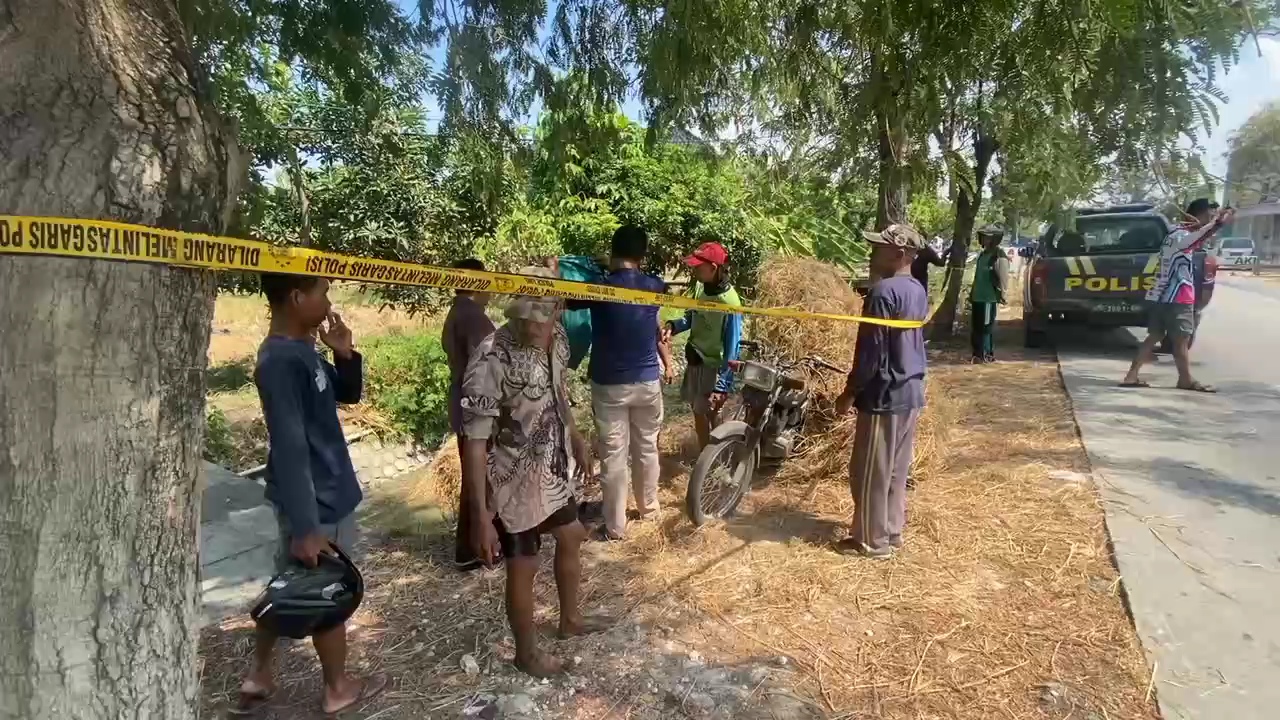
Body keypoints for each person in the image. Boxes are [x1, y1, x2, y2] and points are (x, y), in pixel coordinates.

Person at [233, 274, 387, 716]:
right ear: (298, 297)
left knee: (289, 584)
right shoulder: (279, 361)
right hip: (316, 499)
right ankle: (337, 687)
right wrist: (306, 525)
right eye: (322, 291)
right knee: (326, 590)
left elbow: (347, 395)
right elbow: (289, 444)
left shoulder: (304, 351)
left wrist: (344, 354)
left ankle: (259, 675)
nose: (329, 300)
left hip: (325, 489)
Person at [459, 269, 602, 677]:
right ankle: (525, 652)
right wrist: (481, 516)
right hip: (509, 478)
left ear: (557, 310)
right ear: (516, 314)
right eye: (531, 318)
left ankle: (569, 620)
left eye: (548, 314)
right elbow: (473, 442)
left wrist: (574, 433)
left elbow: (558, 393)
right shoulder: (490, 356)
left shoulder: (557, 340)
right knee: (523, 564)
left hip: (551, 467)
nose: (540, 325)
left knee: (573, 535)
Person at [569, 225, 677, 540]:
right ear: (642, 255)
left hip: (609, 384)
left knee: (614, 455)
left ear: (612, 251)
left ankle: (615, 526)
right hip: (647, 381)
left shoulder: (599, 287)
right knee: (646, 448)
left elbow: (567, 299)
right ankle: (650, 510)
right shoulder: (655, 285)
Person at [833, 225, 929, 559]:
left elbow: (870, 354)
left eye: (878, 247)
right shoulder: (917, 289)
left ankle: (872, 543)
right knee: (894, 471)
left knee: (869, 472)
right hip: (911, 392)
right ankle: (890, 532)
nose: (872, 252)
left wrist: (848, 393)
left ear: (899, 253)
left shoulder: (882, 293)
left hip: (885, 395)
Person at [1121, 199, 1232, 392]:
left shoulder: (1173, 234)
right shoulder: (1182, 236)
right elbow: (1200, 235)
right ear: (1201, 215)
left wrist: (1215, 224)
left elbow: (1200, 237)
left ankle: (1132, 376)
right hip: (1177, 297)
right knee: (1181, 340)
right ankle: (1185, 380)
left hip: (1161, 296)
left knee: (1153, 336)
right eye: (1210, 215)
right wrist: (1218, 222)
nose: (1211, 219)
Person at [662, 241, 744, 449]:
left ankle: (718, 455)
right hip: (695, 359)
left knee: (711, 412)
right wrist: (674, 325)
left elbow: (733, 345)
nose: (694, 269)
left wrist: (723, 384)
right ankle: (703, 454)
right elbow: (691, 317)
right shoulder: (700, 288)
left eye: (698, 266)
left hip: (713, 367)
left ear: (713, 268)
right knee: (698, 411)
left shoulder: (729, 302)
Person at [441, 258, 495, 570]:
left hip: (464, 404)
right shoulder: (472, 317)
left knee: (477, 479)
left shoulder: (459, 312)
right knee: (481, 481)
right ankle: (475, 548)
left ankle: (476, 546)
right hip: (479, 409)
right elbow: (488, 365)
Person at [969, 226, 1010, 363]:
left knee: (986, 328)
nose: (984, 239)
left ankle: (987, 354)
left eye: (987, 237)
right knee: (977, 327)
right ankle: (977, 354)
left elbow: (1004, 277)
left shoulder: (999, 256)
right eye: (983, 237)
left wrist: (1004, 294)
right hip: (977, 297)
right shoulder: (982, 254)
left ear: (993, 239)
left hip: (988, 298)